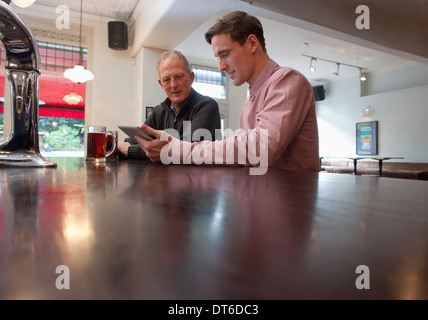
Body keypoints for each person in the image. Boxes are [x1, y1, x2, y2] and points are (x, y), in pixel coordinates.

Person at [134, 11, 320, 174]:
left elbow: (259, 151)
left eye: (225, 54)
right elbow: (242, 157)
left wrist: (177, 149)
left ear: (252, 43)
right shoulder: (249, 102)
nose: (221, 67)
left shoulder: (288, 80)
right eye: (218, 58)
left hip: (292, 206)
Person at [118, 50, 221, 159]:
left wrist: (129, 150)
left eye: (179, 76)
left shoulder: (207, 106)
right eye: (166, 79)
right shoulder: (158, 112)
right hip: (164, 175)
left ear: (191, 78)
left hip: (198, 175)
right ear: (161, 84)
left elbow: (183, 152)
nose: (173, 85)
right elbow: (135, 140)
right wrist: (121, 145)